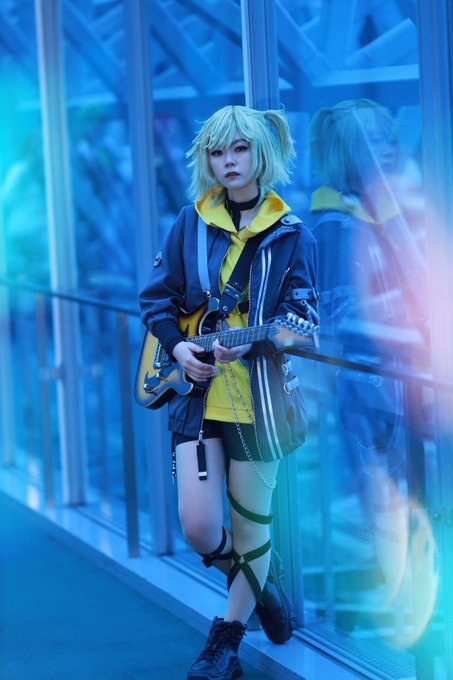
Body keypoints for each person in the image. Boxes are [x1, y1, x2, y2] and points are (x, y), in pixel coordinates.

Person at [139, 104, 318, 680]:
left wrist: (259, 343)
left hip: (260, 403)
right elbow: (156, 299)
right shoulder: (189, 222)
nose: (228, 162)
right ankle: (261, 580)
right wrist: (179, 347)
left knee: (250, 526)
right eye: (217, 152)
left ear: (260, 153)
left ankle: (225, 644)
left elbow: (304, 319)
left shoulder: (293, 234)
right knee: (198, 526)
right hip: (197, 402)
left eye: (239, 149)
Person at [309, 99, 429, 610]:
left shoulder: (384, 212)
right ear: (347, 153)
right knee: (389, 492)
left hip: (403, 376)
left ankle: (412, 592)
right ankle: (406, 599)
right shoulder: (337, 226)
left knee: (407, 489)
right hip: (375, 382)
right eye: (373, 140)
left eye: (389, 137)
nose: (389, 148)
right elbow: (343, 317)